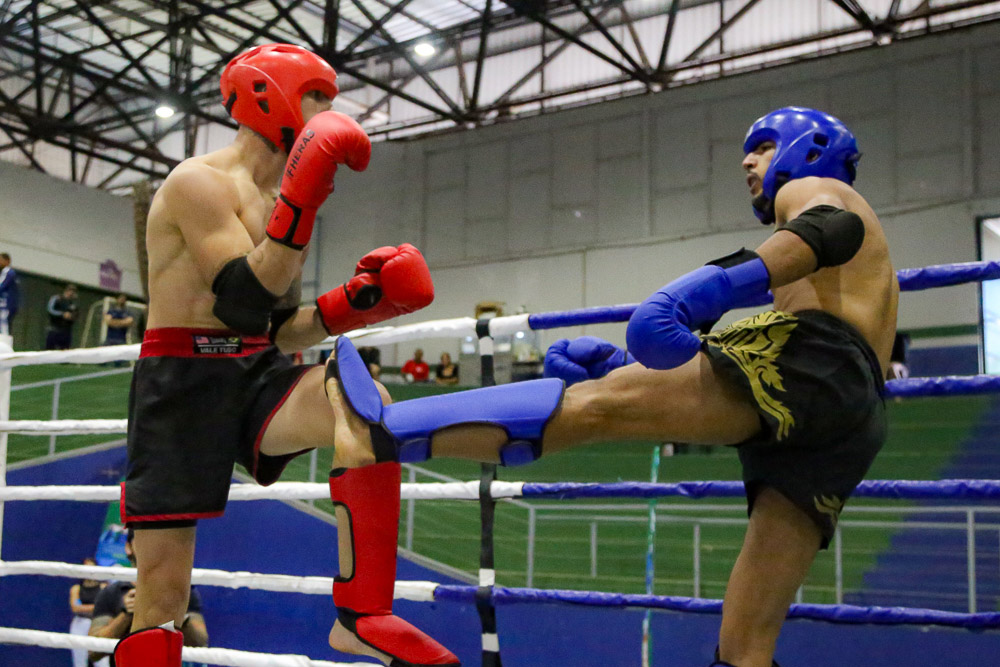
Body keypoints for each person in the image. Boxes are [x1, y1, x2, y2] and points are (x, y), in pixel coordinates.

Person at [325, 106, 896, 667]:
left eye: (764, 147)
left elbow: (829, 227)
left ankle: (386, 430)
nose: (748, 161)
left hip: (821, 363)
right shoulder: (851, 275)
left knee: (595, 407)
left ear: (809, 149)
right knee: (745, 647)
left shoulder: (818, 189)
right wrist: (627, 364)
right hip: (849, 418)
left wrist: (705, 290)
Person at [115, 43, 454, 667]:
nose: (327, 110)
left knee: (362, 402)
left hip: (256, 371)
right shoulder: (198, 181)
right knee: (164, 594)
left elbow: (272, 330)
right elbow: (243, 295)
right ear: (267, 96)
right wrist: (304, 198)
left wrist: (359, 304)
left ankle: (362, 614)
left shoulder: (284, 203)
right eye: (315, 95)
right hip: (182, 382)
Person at [89, 528, 208, 667]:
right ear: (128, 547)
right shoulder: (111, 593)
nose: (153, 546)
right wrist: (126, 614)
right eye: (146, 540)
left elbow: (201, 643)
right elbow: (93, 652)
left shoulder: (182, 591)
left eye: (160, 541)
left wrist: (179, 614)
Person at [70, 557, 104, 667]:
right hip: (80, 624)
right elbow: (75, 608)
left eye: (91, 568)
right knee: (79, 660)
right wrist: (95, 607)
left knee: (102, 661)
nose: (89, 571)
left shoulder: (104, 587)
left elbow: (105, 606)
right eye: (86, 568)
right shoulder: (76, 588)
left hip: (99, 623)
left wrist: (84, 607)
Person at [46, 283, 79, 350]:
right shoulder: (57, 298)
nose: (71, 293)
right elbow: (50, 310)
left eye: (73, 291)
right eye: (70, 290)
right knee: (50, 350)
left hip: (66, 332)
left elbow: (76, 316)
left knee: (65, 351)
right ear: (66, 290)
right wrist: (62, 314)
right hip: (55, 329)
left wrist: (72, 316)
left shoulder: (73, 304)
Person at [0, 252, 19, 336]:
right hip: (7, 305)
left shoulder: (8, 272)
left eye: (0, 260)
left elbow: (2, 286)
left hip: (6, 305)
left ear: (7, 261)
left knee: (4, 326)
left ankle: (4, 341)